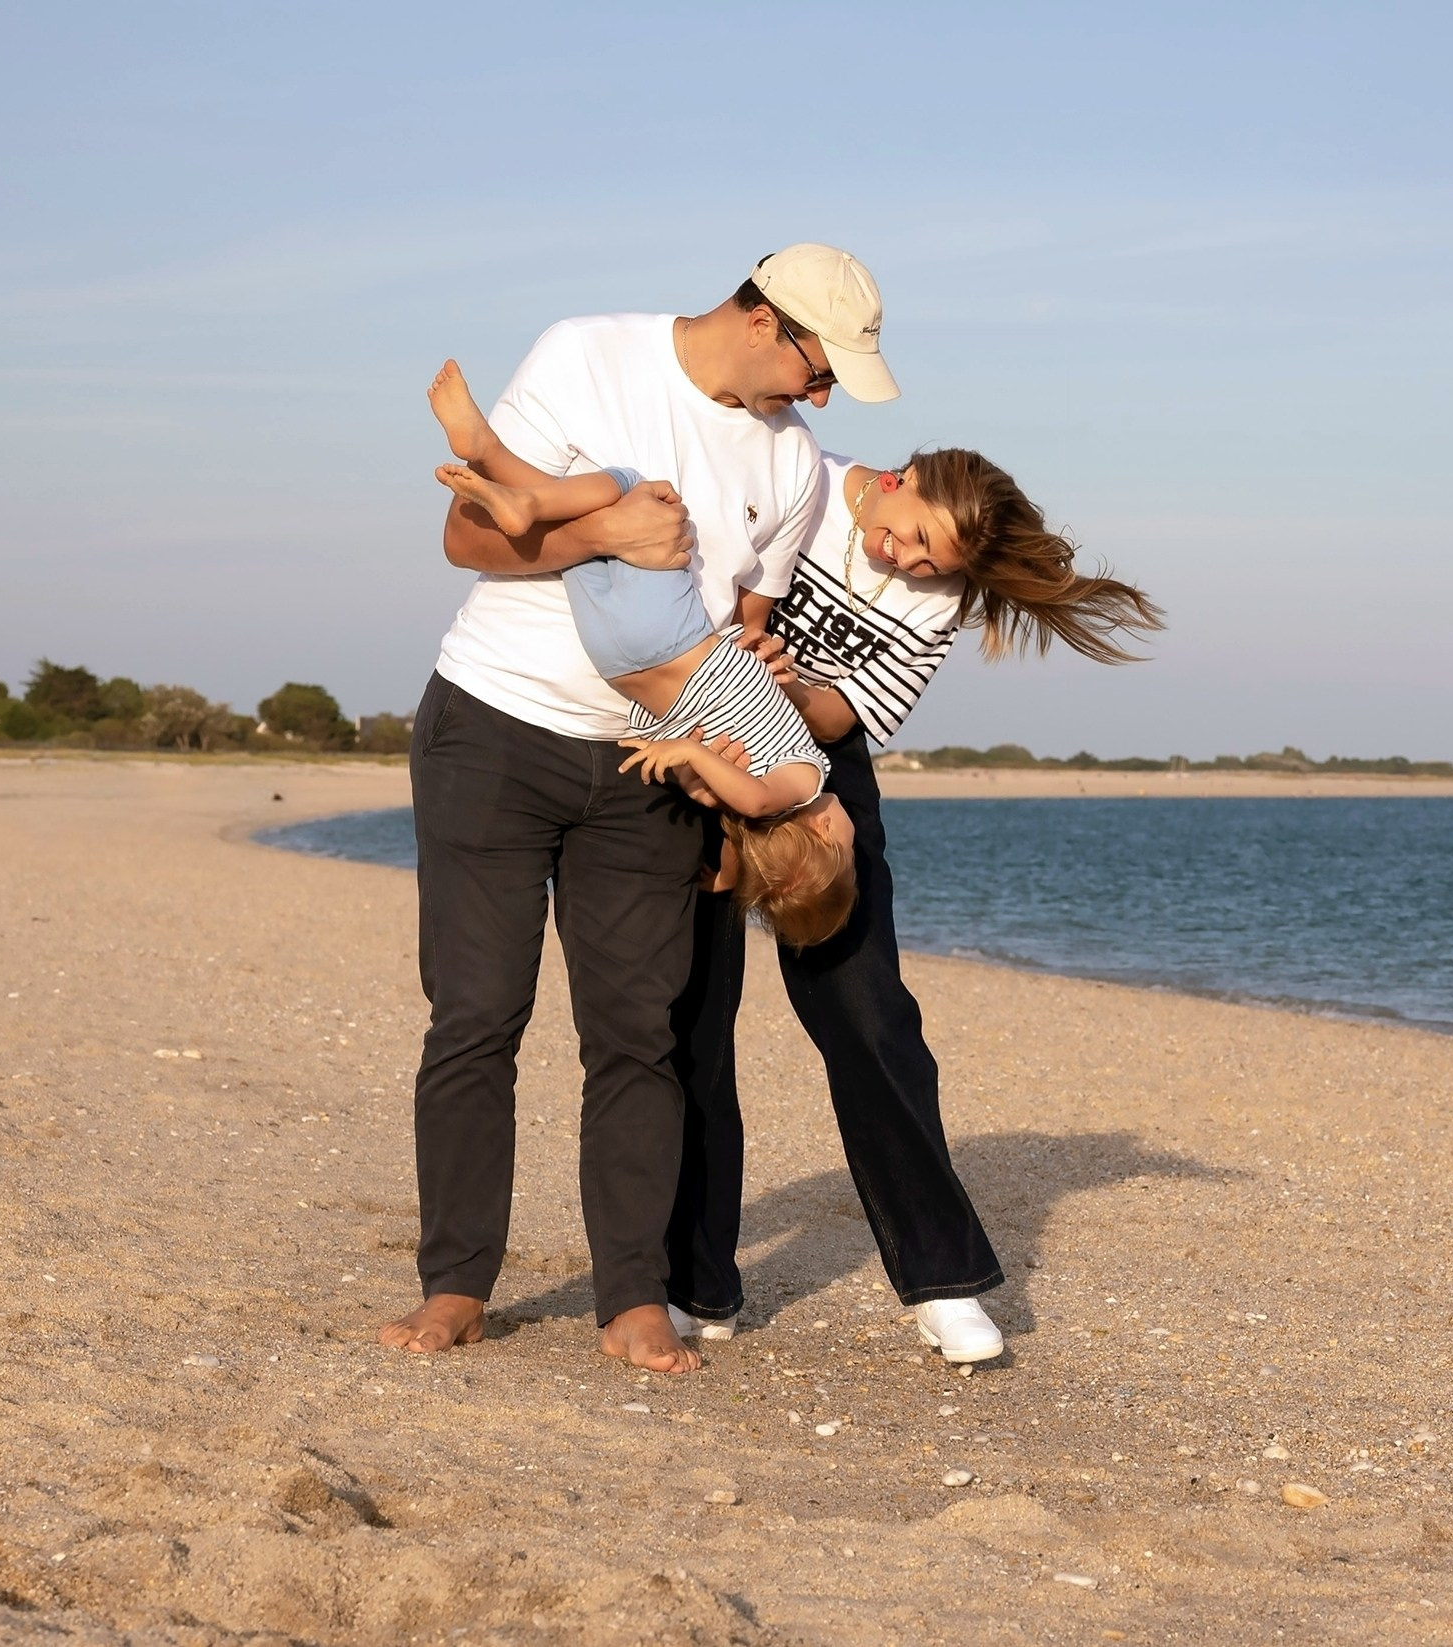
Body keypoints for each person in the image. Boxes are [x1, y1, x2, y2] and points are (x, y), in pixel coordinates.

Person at [380, 245, 899, 1374]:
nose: (821, 399)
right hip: (495, 728)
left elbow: (742, 629)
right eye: (819, 369)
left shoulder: (793, 465)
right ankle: (457, 1284)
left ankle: (632, 1295)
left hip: (651, 777)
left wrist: (748, 736)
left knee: (638, 1037)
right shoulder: (588, 353)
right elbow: (467, 538)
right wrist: (605, 536)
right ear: (762, 321)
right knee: (476, 1015)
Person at [665, 446, 1163, 1362]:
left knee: (871, 1018)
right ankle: (693, 1281)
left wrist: (787, 683)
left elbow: (843, 716)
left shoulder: (940, 597)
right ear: (900, 478)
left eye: (932, 562)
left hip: (818, 770)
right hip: (701, 738)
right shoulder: (796, 477)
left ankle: (943, 1281)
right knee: (692, 1011)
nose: (909, 561)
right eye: (914, 537)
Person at [424, 360, 856, 947]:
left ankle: (496, 461)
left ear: (828, 835)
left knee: (634, 491)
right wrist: (728, 876)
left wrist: (690, 752)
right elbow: (736, 846)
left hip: (673, 637)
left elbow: (756, 797)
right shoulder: (740, 822)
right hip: (616, 659)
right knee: (588, 531)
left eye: (852, 849)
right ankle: (502, 472)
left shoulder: (802, 783)